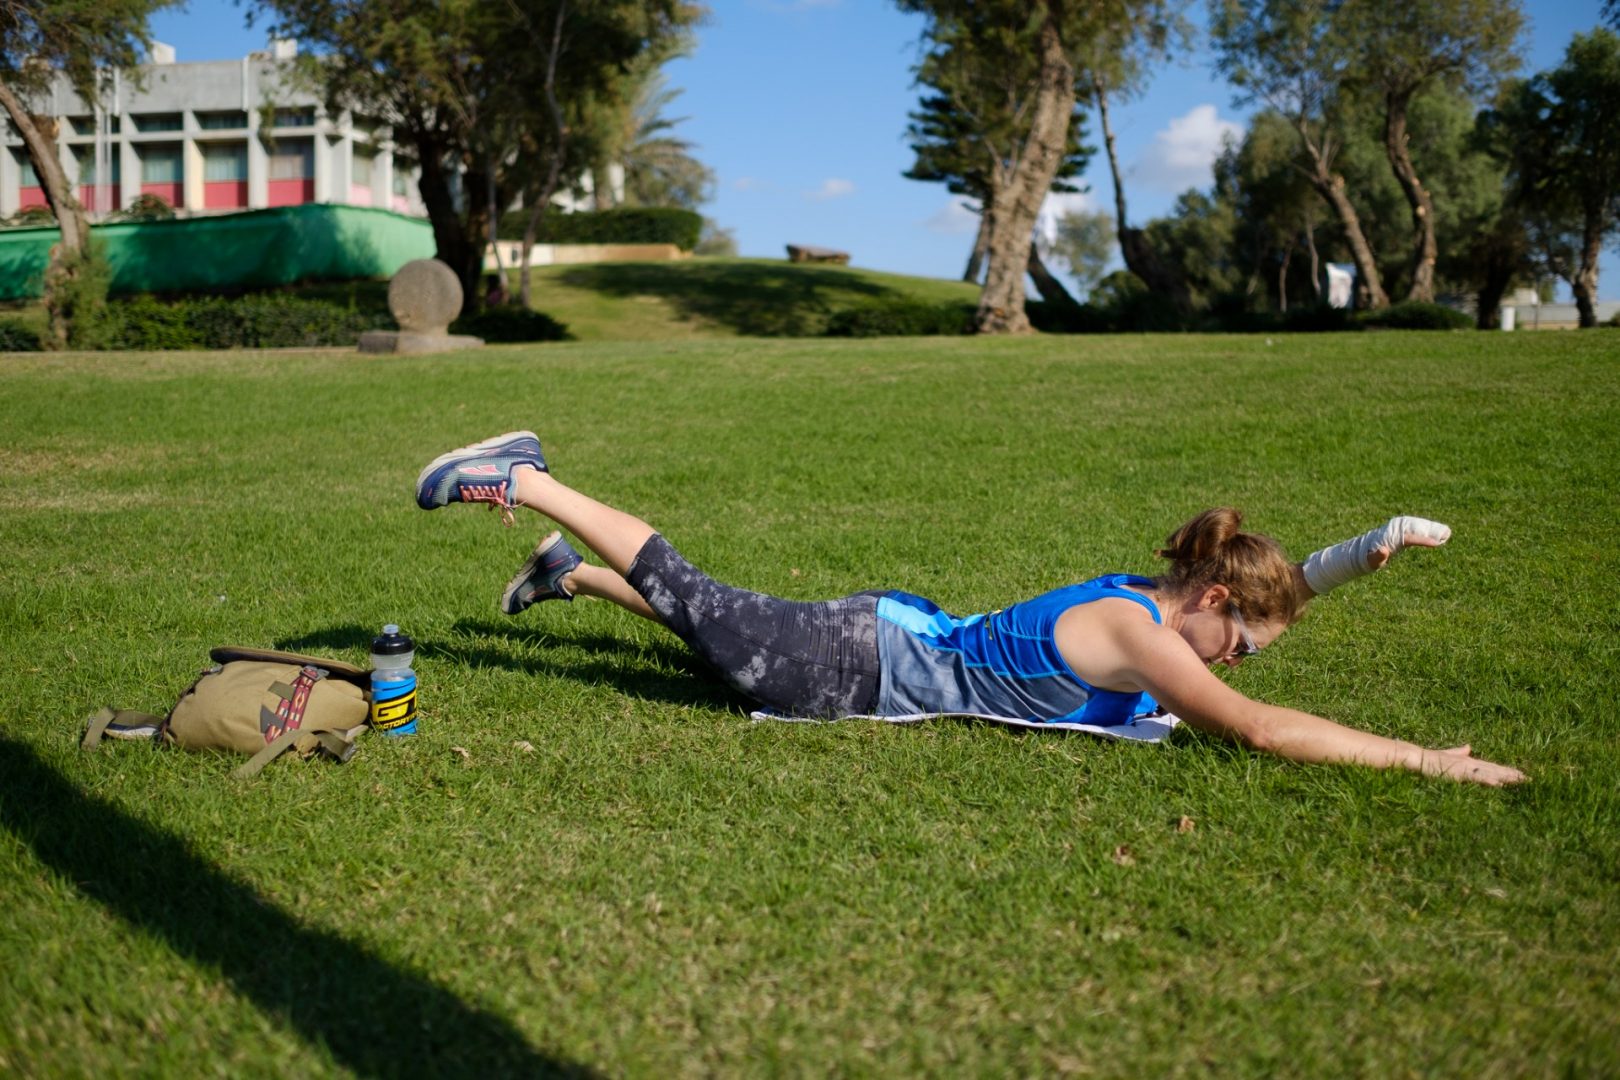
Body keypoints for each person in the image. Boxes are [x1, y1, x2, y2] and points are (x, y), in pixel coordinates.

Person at [415, 431, 1527, 787]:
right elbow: (1262, 732)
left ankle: (570, 572)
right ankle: (524, 477)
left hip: (883, 632)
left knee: (718, 639)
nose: (1234, 662)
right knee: (709, 609)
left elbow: (1265, 600)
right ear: (1212, 601)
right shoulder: (1147, 636)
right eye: (1235, 642)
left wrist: (1360, 556)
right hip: (858, 666)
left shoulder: (1156, 594)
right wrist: (1427, 760)